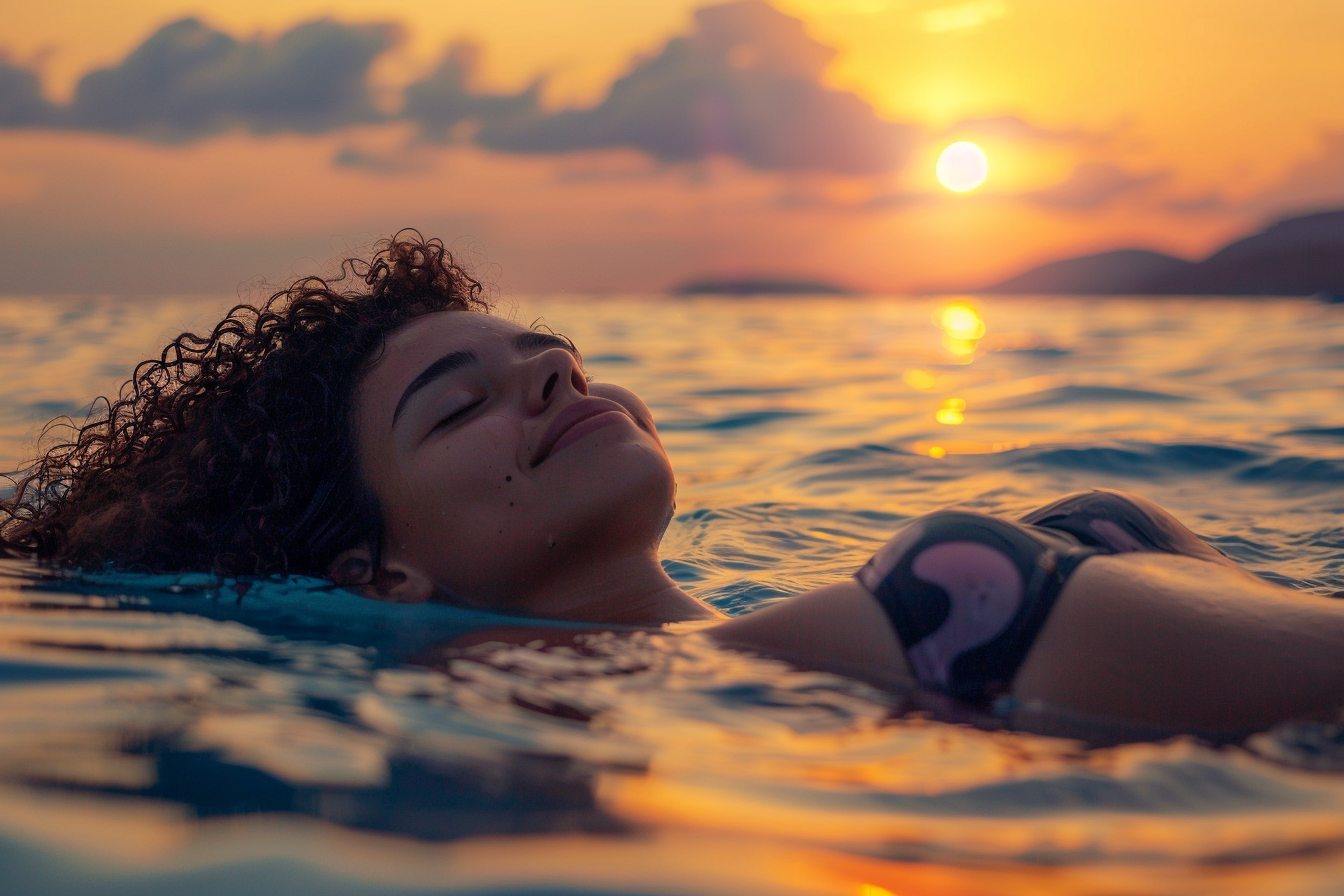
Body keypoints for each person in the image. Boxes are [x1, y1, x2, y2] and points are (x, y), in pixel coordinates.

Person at [2, 233, 1340, 736]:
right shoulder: (928, 620)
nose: (551, 386)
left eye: (556, 361)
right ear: (379, 573)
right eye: (459, 404)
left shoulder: (914, 615)